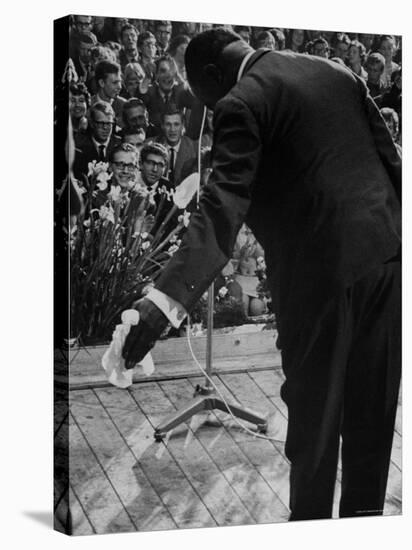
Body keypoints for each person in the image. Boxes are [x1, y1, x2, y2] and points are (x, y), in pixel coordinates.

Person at [122, 28, 401, 522]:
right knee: (372, 413)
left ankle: (309, 525)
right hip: (386, 259)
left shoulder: (241, 102)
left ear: (211, 75)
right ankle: (365, 523)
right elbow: (391, 161)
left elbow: (222, 206)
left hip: (319, 276)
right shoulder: (336, 70)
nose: (207, 111)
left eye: (202, 98)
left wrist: (162, 302)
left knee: (315, 419)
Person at [73, 102, 120, 182]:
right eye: (101, 123)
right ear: (91, 123)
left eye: (109, 123)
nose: (105, 127)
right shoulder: (78, 146)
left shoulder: (120, 145)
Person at [154, 108, 198, 186]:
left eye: (176, 124)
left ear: (183, 125)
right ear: (162, 126)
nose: (172, 129)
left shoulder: (194, 148)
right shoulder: (153, 145)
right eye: (168, 124)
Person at [92, 60, 126, 128]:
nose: (120, 87)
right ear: (101, 83)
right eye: (115, 82)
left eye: (120, 82)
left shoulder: (124, 106)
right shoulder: (89, 105)